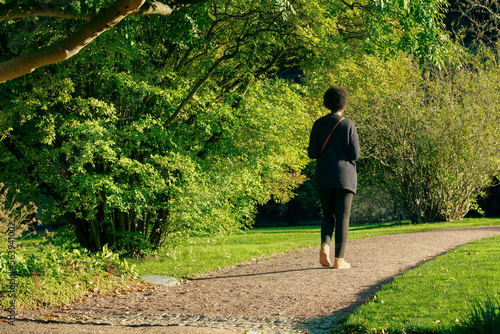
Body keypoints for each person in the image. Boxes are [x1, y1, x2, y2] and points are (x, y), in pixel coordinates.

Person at [307, 86, 361, 269]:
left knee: (328, 215)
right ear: (344, 104)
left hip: (323, 175)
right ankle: (339, 260)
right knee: (343, 217)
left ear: (327, 102)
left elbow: (312, 153)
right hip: (344, 177)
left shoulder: (318, 124)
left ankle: (325, 245)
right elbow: (355, 154)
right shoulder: (348, 125)